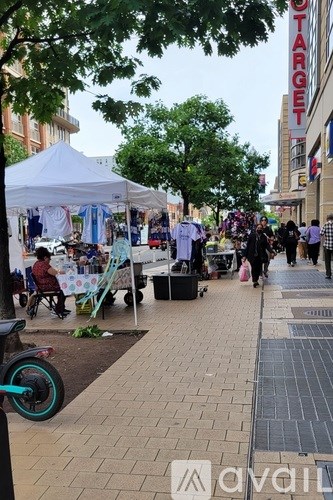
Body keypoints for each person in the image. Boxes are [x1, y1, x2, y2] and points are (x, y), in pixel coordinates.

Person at [32, 247, 70, 317]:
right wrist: (59, 271)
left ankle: (61, 308)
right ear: (45, 257)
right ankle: (59, 309)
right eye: (49, 259)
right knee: (65, 289)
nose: (49, 261)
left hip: (40, 286)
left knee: (63, 288)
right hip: (47, 286)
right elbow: (55, 273)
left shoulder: (36, 264)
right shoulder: (44, 264)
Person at [242, 223, 274, 288]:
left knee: (258, 268)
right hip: (252, 255)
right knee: (254, 267)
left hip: (260, 255)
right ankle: (254, 281)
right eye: (258, 228)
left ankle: (256, 279)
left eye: (260, 228)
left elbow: (267, 245)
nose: (259, 229)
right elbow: (248, 246)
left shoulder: (263, 237)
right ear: (256, 228)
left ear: (262, 229)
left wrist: (271, 252)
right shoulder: (252, 236)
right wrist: (245, 256)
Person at [320, 213, 333, 279]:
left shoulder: (325, 224)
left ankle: (328, 274)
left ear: (327, 218)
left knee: (327, 260)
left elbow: (321, 233)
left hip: (327, 245)